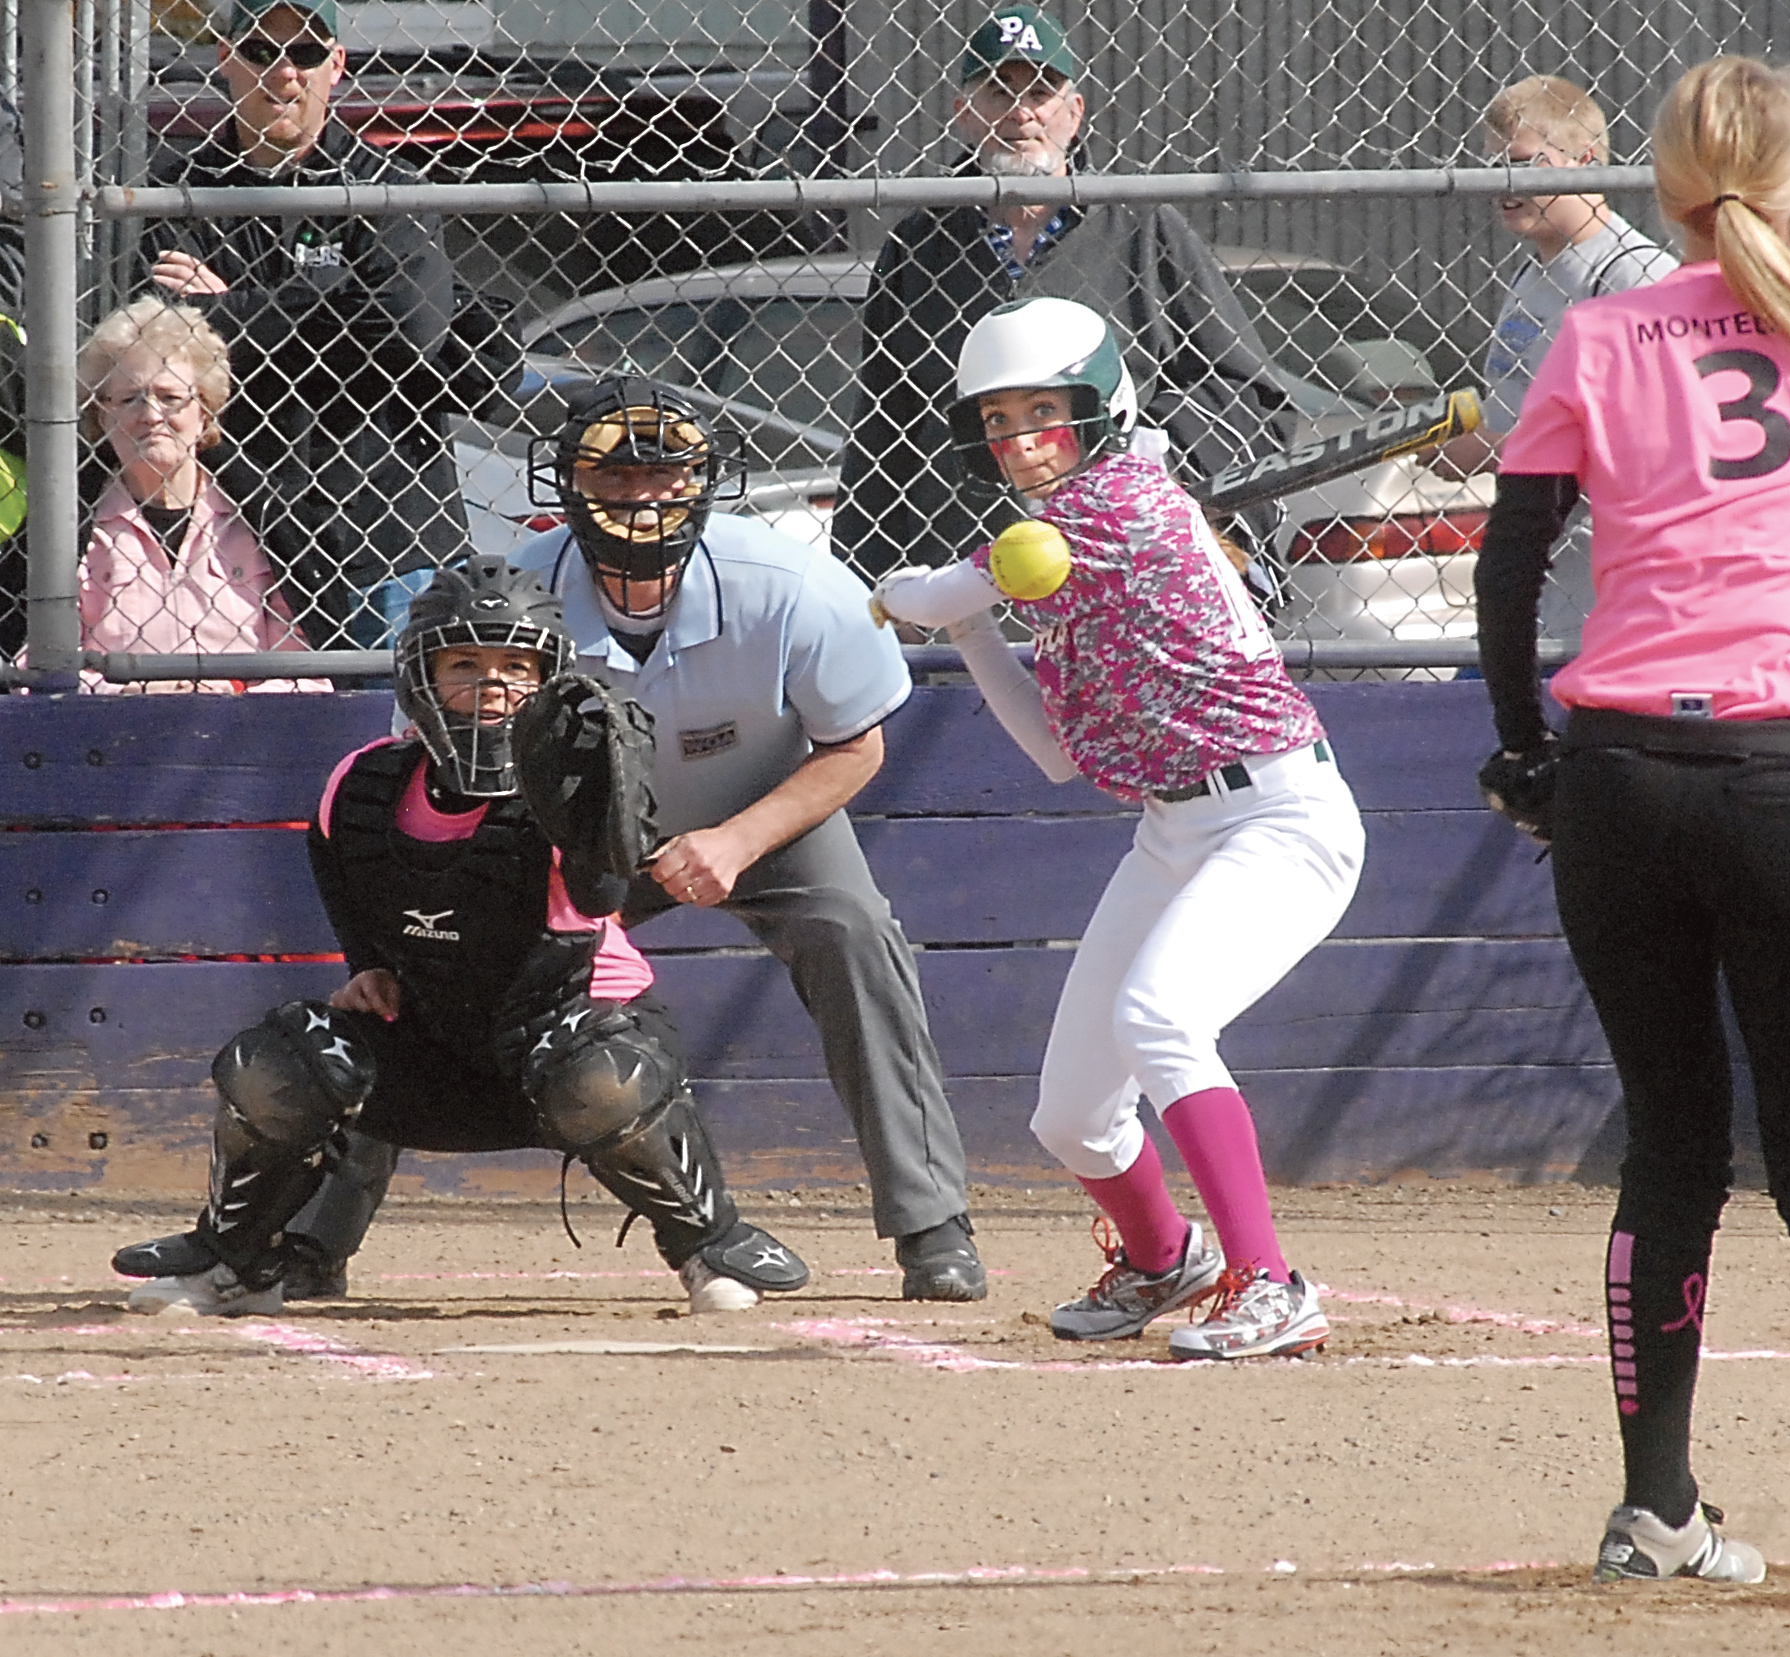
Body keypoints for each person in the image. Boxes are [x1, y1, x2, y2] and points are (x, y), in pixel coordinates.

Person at [1472, 56, 1790, 1582]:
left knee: (1670, 1148)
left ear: (1664, 188)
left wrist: (1525, 754)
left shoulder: (1599, 331)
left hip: (1622, 767)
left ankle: (1655, 1511)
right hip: (1786, 767)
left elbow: (1508, 564)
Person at [117, 554, 811, 1317]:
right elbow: (341, 864)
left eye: (516, 667)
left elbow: (600, 896)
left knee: (603, 1078)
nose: (491, 685)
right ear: (420, 676)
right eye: (463, 664)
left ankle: (707, 1245)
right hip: (435, 1047)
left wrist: (598, 809)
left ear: (549, 680)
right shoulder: (364, 782)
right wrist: (368, 966)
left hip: (558, 1041)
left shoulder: (569, 794)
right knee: (278, 1060)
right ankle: (239, 1259)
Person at [868, 297, 1366, 1359]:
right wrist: (970, 630)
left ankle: (1271, 1283)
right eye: (999, 420)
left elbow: (934, 589)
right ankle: (1162, 1256)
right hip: (1174, 829)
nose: (1020, 440)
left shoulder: (1116, 504)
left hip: (1278, 816)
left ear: (1102, 407)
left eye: (1043, 412)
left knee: (1161, 1019)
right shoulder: (1058, 539)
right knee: (1072, 1114)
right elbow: (1054, 749)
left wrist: (898, 595)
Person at [512, 376, 988, 1301]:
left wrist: (733, 841)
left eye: (664, 475)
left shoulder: (789, 584)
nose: (641, 498)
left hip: (765, 806)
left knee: (853, 931)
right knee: (458, 951)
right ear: (569, 483)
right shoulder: (525, 591)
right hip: (584, 830)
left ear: (703, 482)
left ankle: (932, 1223)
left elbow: (856, 746)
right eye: (614, 477)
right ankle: (311, 1230)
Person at [833, 4, 1294, 595]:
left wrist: (1142, 452)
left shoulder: (1142, 227)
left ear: (1074, 113)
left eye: (1041, 92)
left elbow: (1246, 392)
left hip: (1119, 573)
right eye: (998, 91)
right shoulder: (921, 245)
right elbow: (882, 421)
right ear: (963, 114)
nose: (1022, 112)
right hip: (966, 573)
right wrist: (864, 585)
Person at [139, 0, 462, 648]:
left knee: (398, 710)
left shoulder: (386, 186)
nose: (284, 71)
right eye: (260, 51)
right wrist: (331, 301)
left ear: (336, 65)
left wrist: (229, 311)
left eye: (306, 53)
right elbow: (161, 351)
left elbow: (410, 333)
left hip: (386, 540)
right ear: (225, 58)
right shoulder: (173, 190)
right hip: (234, 538)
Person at [1433, 76, 1677, 651]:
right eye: (1493, 167)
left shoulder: (1634, 277)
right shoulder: (1534, 269)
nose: (1504, 185)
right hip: (1541, 579)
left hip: (1606, 603)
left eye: (1521, 164)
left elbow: (1649, 445)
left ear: (1584, 160)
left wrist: (1494, 449)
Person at [74, 298, 325, 693]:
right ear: (101, 417)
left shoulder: (263, 520)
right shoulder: (74, 529)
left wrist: (235, 697)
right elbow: (34, 667)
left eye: (170, 397)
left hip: (246, 725)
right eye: (128, 398)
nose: (150, 415)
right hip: (107, 726)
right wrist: (127, 694)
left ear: (204, 412)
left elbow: (308, 670)